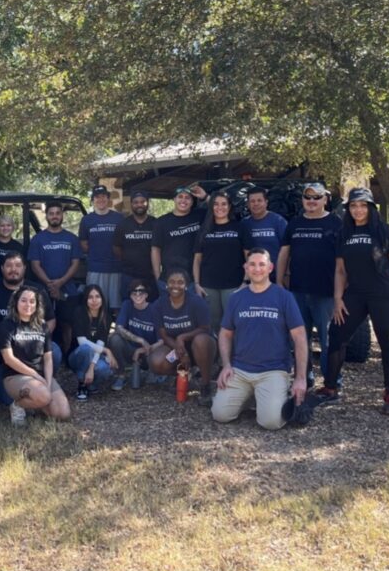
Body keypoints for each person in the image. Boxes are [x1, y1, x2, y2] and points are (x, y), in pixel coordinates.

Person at [318, 187, 389, 414]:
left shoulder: (382, 230)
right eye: (354, 206)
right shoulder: (344, 232)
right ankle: (330, 388)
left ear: (370, 207)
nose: (358, 210)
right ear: (348, 209)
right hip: (355, 294)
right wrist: (338, 299)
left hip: (384, 294)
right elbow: (340, 270)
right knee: (337, 335)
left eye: (362, 205)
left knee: (387, 343)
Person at [212, 250, 308, 429]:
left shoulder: (284, 297)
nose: (257, 269)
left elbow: (300, 337)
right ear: (246, 268)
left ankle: (275, 393)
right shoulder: (236, 298)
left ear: (270, 268)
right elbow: (225, 333)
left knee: (271, 422)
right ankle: (251, 396)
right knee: (220, 415)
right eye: (253, 265)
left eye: (262, 264)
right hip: (240, 370)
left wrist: (300, 378)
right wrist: (226, 365)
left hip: (273, 371)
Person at [275, 182, 341, 387]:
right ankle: (304, 377)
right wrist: (278, 281)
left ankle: (332, 382)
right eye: (308, 197)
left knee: (328, 339)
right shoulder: (294, 223)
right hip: (297, 291)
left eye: (316, 197)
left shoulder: (336, 223)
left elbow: (342, 261)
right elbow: (284, 253)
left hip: (326, 292)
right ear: (303, 199)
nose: (312, 201)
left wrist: (342, 290)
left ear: (325, 200)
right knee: (300, 338)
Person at [0, 251, 60, 406]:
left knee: (54, 351)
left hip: (32, 352)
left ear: (25, 268)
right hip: (1, 358)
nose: (13, 269)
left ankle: (43, 382)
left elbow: (51, 320)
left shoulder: (38, 290)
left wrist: (38, 342)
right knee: (5, 400)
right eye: (8, 265)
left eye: (17, 265)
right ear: (2, 268)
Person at [0, 285, 71, 427]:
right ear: (16, 302)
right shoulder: (6, 325)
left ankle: (35, 403)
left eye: (32, 301)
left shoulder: (42, 326)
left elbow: (48, 358)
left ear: (37, 305)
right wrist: (35, 376)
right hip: (15, 376)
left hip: (40, 376)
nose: (28, 305)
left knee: (63, 413)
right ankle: (18, 405)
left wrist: (48, 382)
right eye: (23, 300)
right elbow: (8, 359)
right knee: (44, 396)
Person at [146, 268, 216, 407]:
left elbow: (205, 328)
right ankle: (183, 376)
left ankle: (205, 385)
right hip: (176, 347)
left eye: (180, 282)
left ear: (186, 285)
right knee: (156, 361)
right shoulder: (159, 305)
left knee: (200, 341)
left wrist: (182, 337)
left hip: (202, 346)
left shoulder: (196, 302)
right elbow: (163, 334)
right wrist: (180, 349)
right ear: (166, 284)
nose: (175, 286)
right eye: (172, 282)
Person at [192, 192, 244, 333]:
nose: (219, 207)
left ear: (229, 207)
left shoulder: (239, 227)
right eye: (215, 204)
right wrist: (197, 284)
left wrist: (245, 282)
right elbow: (197, 259)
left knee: (232, 323)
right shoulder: (204, 229)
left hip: (233, 285)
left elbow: (248, 256)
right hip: (208, 285)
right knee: (213, 324)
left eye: (223, 204)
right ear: (211, 207)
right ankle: (216, 354)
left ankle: (233, 354)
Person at [28, 201, 81, 324]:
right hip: (43, 289)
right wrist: (50, 285)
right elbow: (35, 266)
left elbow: (76, 263)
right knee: (42, 322)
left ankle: (67, 345)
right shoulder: (37, 239)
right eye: (51, 213)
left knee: (68, 324)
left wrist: (61, 282)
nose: (54, 216)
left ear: (62, 215)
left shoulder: (72, 238)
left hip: (68, 289)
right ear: (46, 216)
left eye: (57, 213)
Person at [108, 279, 165, 389]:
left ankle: (154, 373)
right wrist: (140, 340)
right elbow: (119, 328)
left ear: (146, 295)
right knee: (115, 339)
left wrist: (143, 349)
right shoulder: (127, 305)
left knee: (150, 381)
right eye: (134, 292)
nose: (138, 295)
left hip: (149, 350)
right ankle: (121, 375)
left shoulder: (154, 310)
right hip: (131, 349)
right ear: (130, 295)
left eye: (141, 292)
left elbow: (161, 340)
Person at [67, 284, 118, 400]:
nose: (94, 300)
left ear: (102, 299)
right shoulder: (79, 312)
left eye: (97, 296)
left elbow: (100, 343)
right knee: (86, 349)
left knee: (105, 369)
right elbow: (82, 342)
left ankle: (91, 384)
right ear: (85, 300)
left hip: (94, 355)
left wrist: (91, 368)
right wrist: (107, 351)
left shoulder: (106, 316)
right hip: (77, 355)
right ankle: (82, 384)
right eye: (90, 297)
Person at [151, 185, 208, 287]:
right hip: (169, 279)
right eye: (180, 197)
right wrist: (157, 276)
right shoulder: (161, 222)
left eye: (187, 198)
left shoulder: (200, 215)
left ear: (192, 201)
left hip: (196, 278)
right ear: (174, 199)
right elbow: (155, 249)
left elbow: (218, 208)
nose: (183, 200)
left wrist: (205, 197)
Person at [79, 185, 123, 314]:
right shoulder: (86, 220)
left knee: (116, 307)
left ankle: (117, 333)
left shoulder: (119, 218)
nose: (101, 199)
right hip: (95, 268)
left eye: (104, 196)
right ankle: (95, 333)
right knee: (94, 305)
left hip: (116, 269)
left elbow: (123, 242)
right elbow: (83, 244)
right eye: (97, 197)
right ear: (93, 200)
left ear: (108, 199)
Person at [112, 190, 159, 301]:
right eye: (136, 202)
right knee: (128, 305)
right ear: (131, 204)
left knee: (152, 307)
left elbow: (161, 248)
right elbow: (116, 248)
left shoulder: (156, 224)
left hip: (150, 276)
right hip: (129, 275)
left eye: (143, 202)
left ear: (148, 203)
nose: (139, 205)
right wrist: (128, 259)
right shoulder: (123, 224)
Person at [238, 186, 287, 283]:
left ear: (266, 202)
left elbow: (287, 250)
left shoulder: (278, 221)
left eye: (259, 200)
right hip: (252, 278)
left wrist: (284, 277)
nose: (256, 204)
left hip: (275, 277)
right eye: (252, 201)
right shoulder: (244, 223)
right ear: (248, 204)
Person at [0, 215, 24, 281]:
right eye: (2, 225)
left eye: (8, 225)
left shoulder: (18, 247)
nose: (5, 228)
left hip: (12, 284)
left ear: (13, 227)